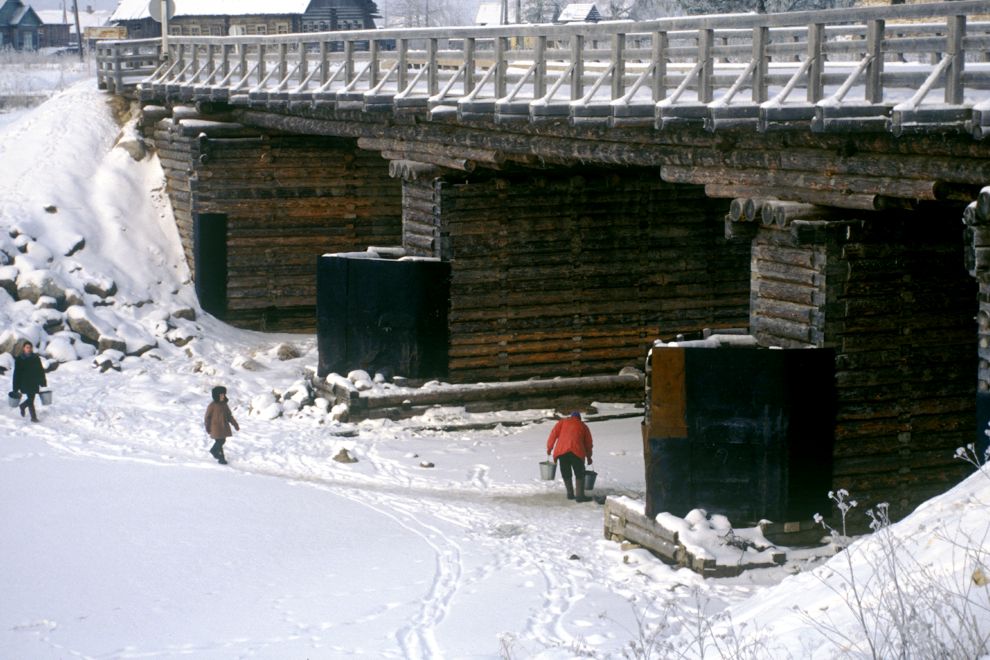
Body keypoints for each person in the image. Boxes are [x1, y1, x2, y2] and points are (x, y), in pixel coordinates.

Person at [546, 411, 594, 502]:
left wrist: (549, 448)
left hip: (562, 452)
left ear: (571, 417)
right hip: (577, 451)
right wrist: (589, 457)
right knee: (579, 473)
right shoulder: (583, 426)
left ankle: (570, 494)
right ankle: (580, 496)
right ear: (579, 418)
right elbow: (588, 444)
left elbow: (553, 434)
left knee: (566, 472)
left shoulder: (562, 422)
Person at [12, 341, 46, 423]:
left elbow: (40, 370)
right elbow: (16, 373)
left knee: (31, 398)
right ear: (23, 348)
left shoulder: (35, 358)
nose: (29, 349)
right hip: (24, 382)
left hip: (34, 381)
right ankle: (33, 417)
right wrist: (15, 387)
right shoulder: (19, 359)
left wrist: (42, 381)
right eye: (27, 347)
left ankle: (23, 406)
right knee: (31, 399)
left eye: (30, 347)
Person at [204, 385, 239, 465]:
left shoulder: (224, 405)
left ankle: (220, 458)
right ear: (217, 395)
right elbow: (207, 417)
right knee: (220, 441)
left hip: (224, 427)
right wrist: (208, 427)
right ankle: (215, 452)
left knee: (220, 442)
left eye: (224, 394)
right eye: (221, 395)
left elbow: (229, 416)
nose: (223, 396)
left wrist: (235, 425)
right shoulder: (212, 405)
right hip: (216, 427)